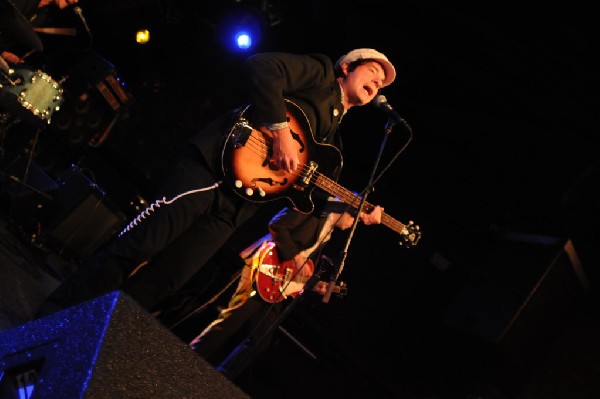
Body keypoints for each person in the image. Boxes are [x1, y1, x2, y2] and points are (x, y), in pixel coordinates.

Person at [37, 47, 397, 316]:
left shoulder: (335, 146)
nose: (377, 83)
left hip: (237, 206)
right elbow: (262, 66)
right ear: (347, 67)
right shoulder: (318, 73)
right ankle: (50, 317)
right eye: (372, 72)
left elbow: (307, 200)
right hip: (213, 167)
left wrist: (352, 209)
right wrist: (280, 130)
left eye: (381, 83)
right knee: (141, 244)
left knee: (169, 278)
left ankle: (87, 335)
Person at [187, 200, 383, 372]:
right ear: (344, 210)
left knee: (260, 340)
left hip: (278, 283)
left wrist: (315, 285)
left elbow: (298, 269)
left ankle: (219, 380)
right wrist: (296, 257)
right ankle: (186, 357)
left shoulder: (327, 234)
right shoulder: (312, 209)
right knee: (232, 320)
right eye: (353, 220)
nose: (351, 226)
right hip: (263, 266)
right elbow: (277, 225)